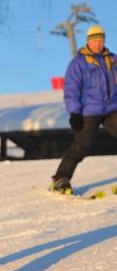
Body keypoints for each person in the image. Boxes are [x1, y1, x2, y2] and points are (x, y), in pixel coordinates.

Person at [51, 24, 117, 193]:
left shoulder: (112, 60)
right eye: (95, 40)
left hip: (111, 109)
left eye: (101, 40)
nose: (98, 44)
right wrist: (74, 112)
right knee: (82, 145)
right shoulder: (79, 63)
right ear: (88, 42)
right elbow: (71, 90)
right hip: (89, 111)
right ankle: (61, 179)